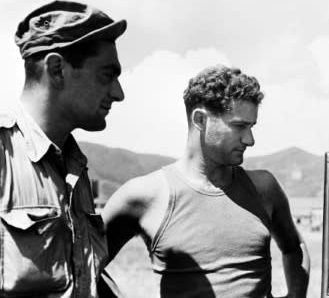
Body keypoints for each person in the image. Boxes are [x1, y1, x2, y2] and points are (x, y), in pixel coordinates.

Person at [102, 65, 310, 297]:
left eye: (251, 127)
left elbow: (294, 248)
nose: (250, 140)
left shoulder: (263, 187)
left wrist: (296, 295)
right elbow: (82, 266)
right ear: (200, 119)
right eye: (240, 126)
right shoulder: (144, 195)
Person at [0, 0, 126, 297]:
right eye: (108, 75)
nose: (119, 93)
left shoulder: (73, 166)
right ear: (57, 69)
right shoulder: (4, 155)